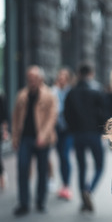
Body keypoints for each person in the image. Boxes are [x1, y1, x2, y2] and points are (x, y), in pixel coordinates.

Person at [11, 65, 58, 216]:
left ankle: (40, 201)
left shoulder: (49, 95)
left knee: (42, 170)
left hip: (42, 139)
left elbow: (52, 118)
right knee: (22, 169)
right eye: (29, 78)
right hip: (25, 138)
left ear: (40, 79)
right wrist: (15, 138)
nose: (31, 81)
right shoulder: (22, 95)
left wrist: (43, 136)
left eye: (34, 78)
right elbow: (16, 117)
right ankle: (24, 203)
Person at [64, 62, 107, 213]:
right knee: (100, 166)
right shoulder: (97, 90)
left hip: (78, 135)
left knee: (81, 167)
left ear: (79, 73)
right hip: (94, 134)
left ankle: (83, 199)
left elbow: (67, 114)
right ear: (91, 73)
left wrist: (73, 129)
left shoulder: (72, 92)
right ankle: (89, 190)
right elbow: (104, 112)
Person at [51, 68, 74, 200]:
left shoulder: (71, 91)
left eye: (64, 76)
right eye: (60, 76)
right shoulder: (54, 91)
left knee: (65, 155)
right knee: (60, 156)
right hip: (57, 129)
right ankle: (64, 184)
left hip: (69, 130)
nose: (61, 78)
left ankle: (67, 185)